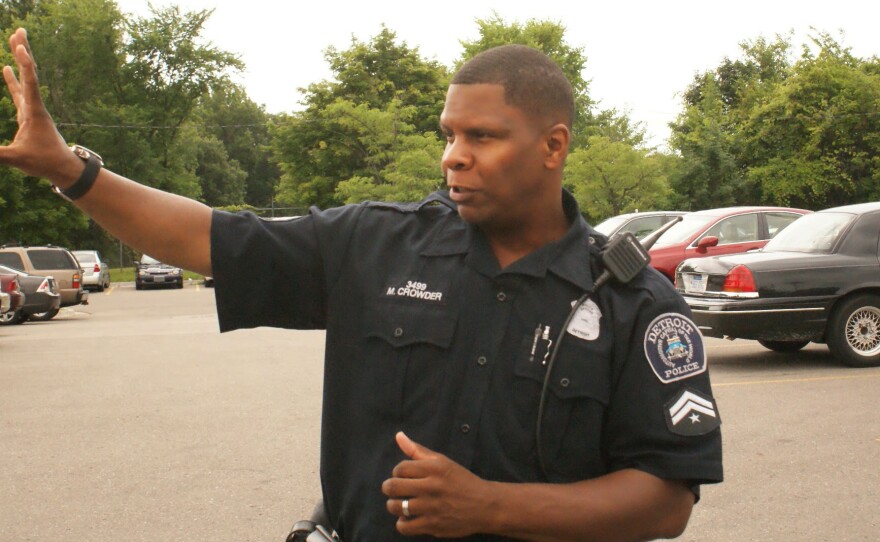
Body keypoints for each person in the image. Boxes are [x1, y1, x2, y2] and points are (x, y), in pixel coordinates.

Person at [0, 28, 722, 541]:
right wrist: (73, 171)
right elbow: (208, 236)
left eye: (482, 137)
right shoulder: (376, 246)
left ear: (554, 146)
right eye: (448, 134)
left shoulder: (631, 303)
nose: (453, 158)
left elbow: (663, 502)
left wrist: (490, 508)